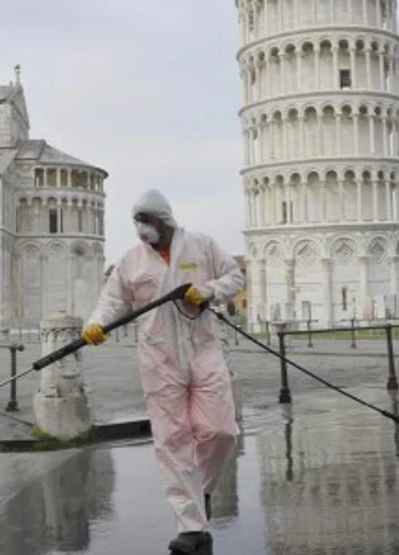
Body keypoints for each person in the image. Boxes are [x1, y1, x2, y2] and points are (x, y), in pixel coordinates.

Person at [82, 189, 244, 554]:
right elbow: (112, 301)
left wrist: (208, 291)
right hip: (160, 357)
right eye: (137, 221)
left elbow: (235, 277)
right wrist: (95, 323)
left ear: (164, 219)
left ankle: (200, 490)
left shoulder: (201, 246)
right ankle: (191, 527)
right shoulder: (131, 261)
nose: (141, 228)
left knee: (220, 431)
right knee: (173, 440)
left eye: (146, 220)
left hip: (203, 349)